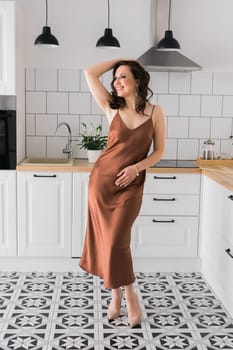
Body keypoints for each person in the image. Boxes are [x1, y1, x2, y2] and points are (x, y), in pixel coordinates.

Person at [79, 58, 165, 327]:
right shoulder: (110, 108)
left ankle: (130, 298)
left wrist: (136, 168)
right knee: (107, 242)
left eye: (123, 76)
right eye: (115, 78)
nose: (116, 81)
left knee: (117, 241)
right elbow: (89, 71)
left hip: (131, 186)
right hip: (101, 184)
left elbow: (159, 152)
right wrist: (121, 60)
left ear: (138, 80)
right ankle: (117, 296)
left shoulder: (154, 113)